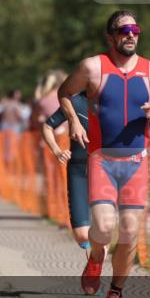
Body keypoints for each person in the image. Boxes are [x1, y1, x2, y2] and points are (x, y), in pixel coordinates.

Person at [58, 10, 150, 298]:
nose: (131, 34)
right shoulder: (93, 68)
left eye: (135, 29)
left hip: (137, 162)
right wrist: (73, 122)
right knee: (104, 229)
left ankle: (115, 295)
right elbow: (64, 92)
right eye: (123, 30)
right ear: (111, 37)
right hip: (102, 160)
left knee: (131, 232)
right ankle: (96, 256)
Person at [42, 91, 93, 255]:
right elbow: (47, 126)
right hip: (79, 169)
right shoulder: (76, 102)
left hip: (107, 169)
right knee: (82, 234)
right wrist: (57, 151)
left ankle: (97, 271)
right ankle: (95, 261)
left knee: (102, 228)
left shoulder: (117, 98)